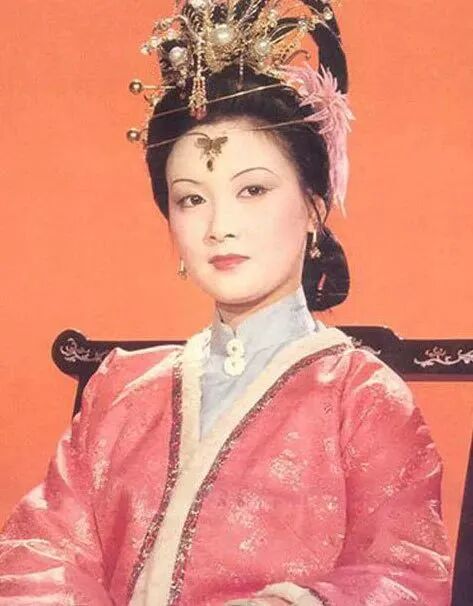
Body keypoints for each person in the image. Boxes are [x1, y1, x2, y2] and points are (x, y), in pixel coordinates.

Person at [0, 1, 452, 605]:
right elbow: (41, 554)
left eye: (253, 190)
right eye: (191, 199)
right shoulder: (121, 391)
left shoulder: (363, 400)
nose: (220, 227)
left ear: (313, 209)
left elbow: (404, 576)